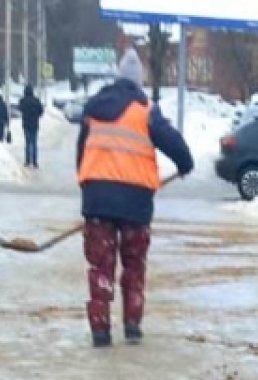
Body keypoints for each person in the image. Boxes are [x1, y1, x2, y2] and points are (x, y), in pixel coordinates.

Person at [76, 49, 193, 348]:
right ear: (138, 81)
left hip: (98, 200)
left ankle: (100, 331)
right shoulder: (145, 109)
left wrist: (89, 191)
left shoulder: (93, 108)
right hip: (136, 203)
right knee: (133, 265)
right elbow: (173, 142)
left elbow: (81, 153)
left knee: (100, 267)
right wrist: (185, 164)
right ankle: (131, 325)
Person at [19, 84, 45, 168]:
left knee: (27, 142)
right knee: (34, 143)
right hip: (34, 124)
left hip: (26, 124)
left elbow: (20, 109)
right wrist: (36, 115)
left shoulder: (23, 101)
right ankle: (34, 161)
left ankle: (27, 161)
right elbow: (41, 111)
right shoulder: (36, 100)